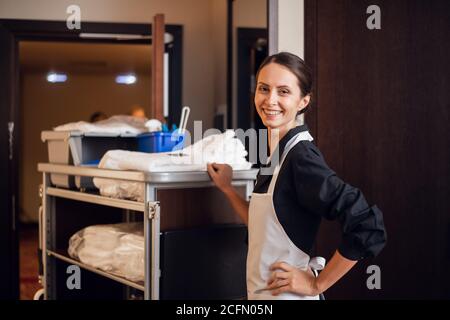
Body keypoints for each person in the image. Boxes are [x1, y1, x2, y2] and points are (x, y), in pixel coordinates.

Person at [207, 52, 387, 300]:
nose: (270, 100)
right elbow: (263, 226)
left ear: (303, 101)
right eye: (264, 88)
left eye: (283, 91)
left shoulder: (301, 158)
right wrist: (227, 189)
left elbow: (367, 225)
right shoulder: (276, 151)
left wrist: (317, 285)